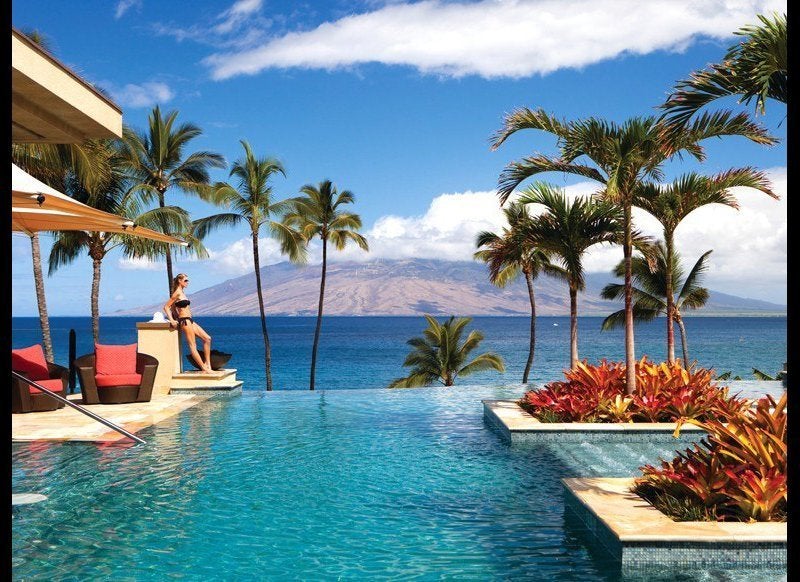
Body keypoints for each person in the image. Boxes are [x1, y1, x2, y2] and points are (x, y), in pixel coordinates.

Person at [164, 273, 213, 373]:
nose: (187, 282)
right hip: (185, 321)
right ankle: (204, 368)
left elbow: (173, 307)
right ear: (179, 281)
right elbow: (166, 307)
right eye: (186, 280)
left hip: (190, 320)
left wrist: (176, 315)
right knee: (192, 345)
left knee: (207, 338)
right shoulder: (177, 293)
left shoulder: (182, 293)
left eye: (187, 280)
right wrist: (173, 320)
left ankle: (208, 364)